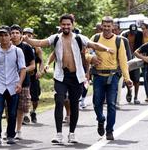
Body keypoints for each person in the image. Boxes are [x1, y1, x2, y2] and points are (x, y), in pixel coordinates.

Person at [23, 14, 113, 144]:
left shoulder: (79, 38)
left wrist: (106, 48)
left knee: (74, 104)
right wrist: (28, 40)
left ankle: (72, 133)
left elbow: (93, 44)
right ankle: (59, 134)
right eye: (63, 24)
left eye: (68, 24)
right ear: (60, 25)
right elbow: (41, 42)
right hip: (61, 76)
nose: (66, 26)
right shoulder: (56, 38)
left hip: (76, 76)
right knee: (59, 100)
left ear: (72, 25)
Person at [89, 16, 133, 140]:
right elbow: (86, 52)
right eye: (105, 26)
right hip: (98, 76)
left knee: (111, 104)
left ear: (113, 27)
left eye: (109, 26)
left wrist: (126, 78)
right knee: (97, 103)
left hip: (113, 76)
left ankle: (109, 130)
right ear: (101, 26)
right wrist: (91, 58)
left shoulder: (119, 41)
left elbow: (123, 61)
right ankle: (101, 119)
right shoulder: (96, 38)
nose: (107, 28)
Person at [0, 26, 26, 145]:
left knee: (12, 112)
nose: (3, 38)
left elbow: (22, 69)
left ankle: (10, 135)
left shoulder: (17, 51)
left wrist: (20, 83)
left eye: (6, 35)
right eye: (1, 35)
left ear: (10, 36)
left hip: (13, 85)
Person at [10, 24, 35, 140]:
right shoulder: (6, 47)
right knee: (9, 107)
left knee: (20, 107)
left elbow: (33, 65)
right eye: (12, 33)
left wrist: (22, 70)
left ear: (21, 35)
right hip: (8, 82)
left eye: (17, 33)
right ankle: (9, 129)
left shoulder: (26, 47)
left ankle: (18, 130)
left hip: (24, 82)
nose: (14, 35)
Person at [22, 27, 44, 123]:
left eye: (29, 34)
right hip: (22, 75)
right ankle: (25, 115)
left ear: (32, 36)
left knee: (35, 97)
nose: (27, 36)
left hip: (33, 75)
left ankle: (33, 111)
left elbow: (41, 61)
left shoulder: (36, 48)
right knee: (24, 96)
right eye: (25, 34)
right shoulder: (19, 46)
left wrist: (40, 71)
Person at [121, 24, 143, 104]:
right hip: (127, 57)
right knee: (128, 77)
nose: (133, 33)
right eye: (132, 32)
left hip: (136, 57)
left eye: (134, 32)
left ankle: (136, 97)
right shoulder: (125, 35)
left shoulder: (139, 35)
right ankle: (129, 91)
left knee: (136, 79)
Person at [141, 23, 148, 102]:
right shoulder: (140, 37)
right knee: (145, 78)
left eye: (144, 28)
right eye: (142, 29)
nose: (143, 30)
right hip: (143, 60)